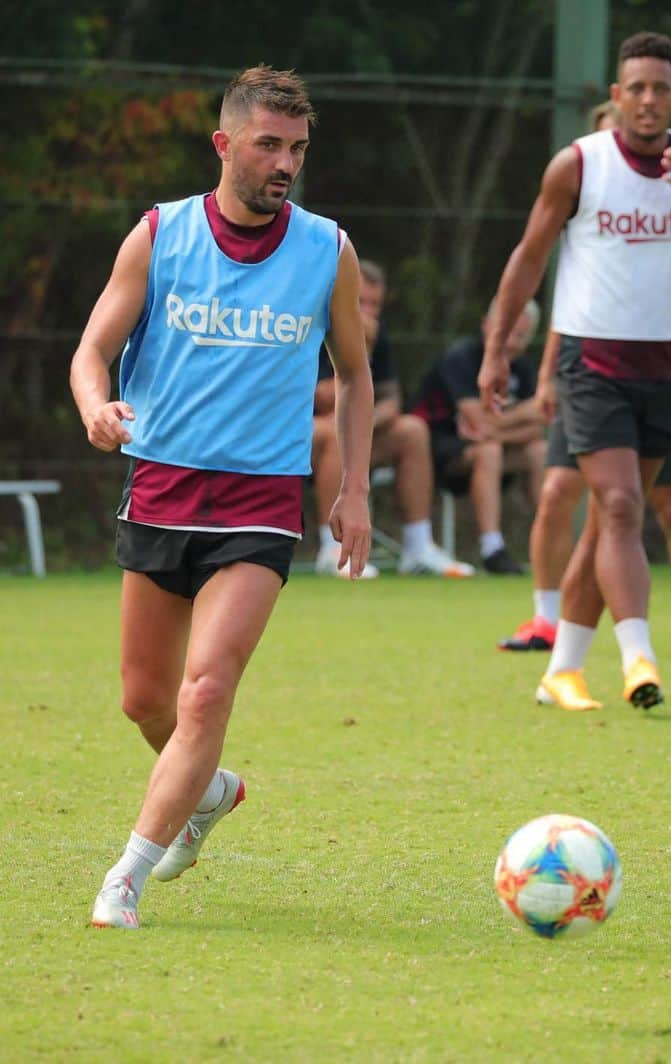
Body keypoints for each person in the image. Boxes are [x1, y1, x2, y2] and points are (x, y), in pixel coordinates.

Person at [70, 66, 375, 929]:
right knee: (145, 700)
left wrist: (352, 488)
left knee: (206, 693)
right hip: (161, 488)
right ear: (225, 145)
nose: (286, 164)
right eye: (269, 145)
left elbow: (355, 379)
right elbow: (91, 352)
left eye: (298, 149)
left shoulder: (328, 250)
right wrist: (97, 408)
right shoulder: (160, 234)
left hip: (261, 503)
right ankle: (209, 793)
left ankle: (124, 878)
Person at [480, 31, 671, 710]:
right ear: (616, 96)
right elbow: (527, 258)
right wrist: (494, 349)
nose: (649, 100)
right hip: (590, 362)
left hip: (664, 362)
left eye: (662, 88)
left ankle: (562, 670)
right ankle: (639, 659)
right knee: (624, 507)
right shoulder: (578, 164)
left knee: (609, 525)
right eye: (636, 88)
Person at [498, 100, 671, 658]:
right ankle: (603, 646)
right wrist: (545, 375)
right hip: (589, 374)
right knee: (578, 499)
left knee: (657, 509)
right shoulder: (580, 177)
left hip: (660, 372)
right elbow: (571, 301)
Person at [311, 259, 474, 578]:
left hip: (349, 429)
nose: (369, 311)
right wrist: (362, 353)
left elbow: (390, 401)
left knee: (412, 430)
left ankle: (418, 548)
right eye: (362, 302)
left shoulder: (375, 332)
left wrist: (362, 422)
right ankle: (331, 549)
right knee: (333, 432)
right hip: (303, 431)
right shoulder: (317, 322)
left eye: (376, 304)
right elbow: (319, 396)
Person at [411, 301, 547, 574]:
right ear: (487, 324)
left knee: (538, 451)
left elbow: (537, 426)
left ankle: (551, 543)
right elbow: (479, 421)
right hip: (438, 451)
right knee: (489, 450)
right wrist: (522, 413)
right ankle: (492, 548)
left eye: (520, 336)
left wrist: (497, 428)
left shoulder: (523, 368)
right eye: (506, 331)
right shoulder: (461, 357)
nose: (511, 342)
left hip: (491, 446)